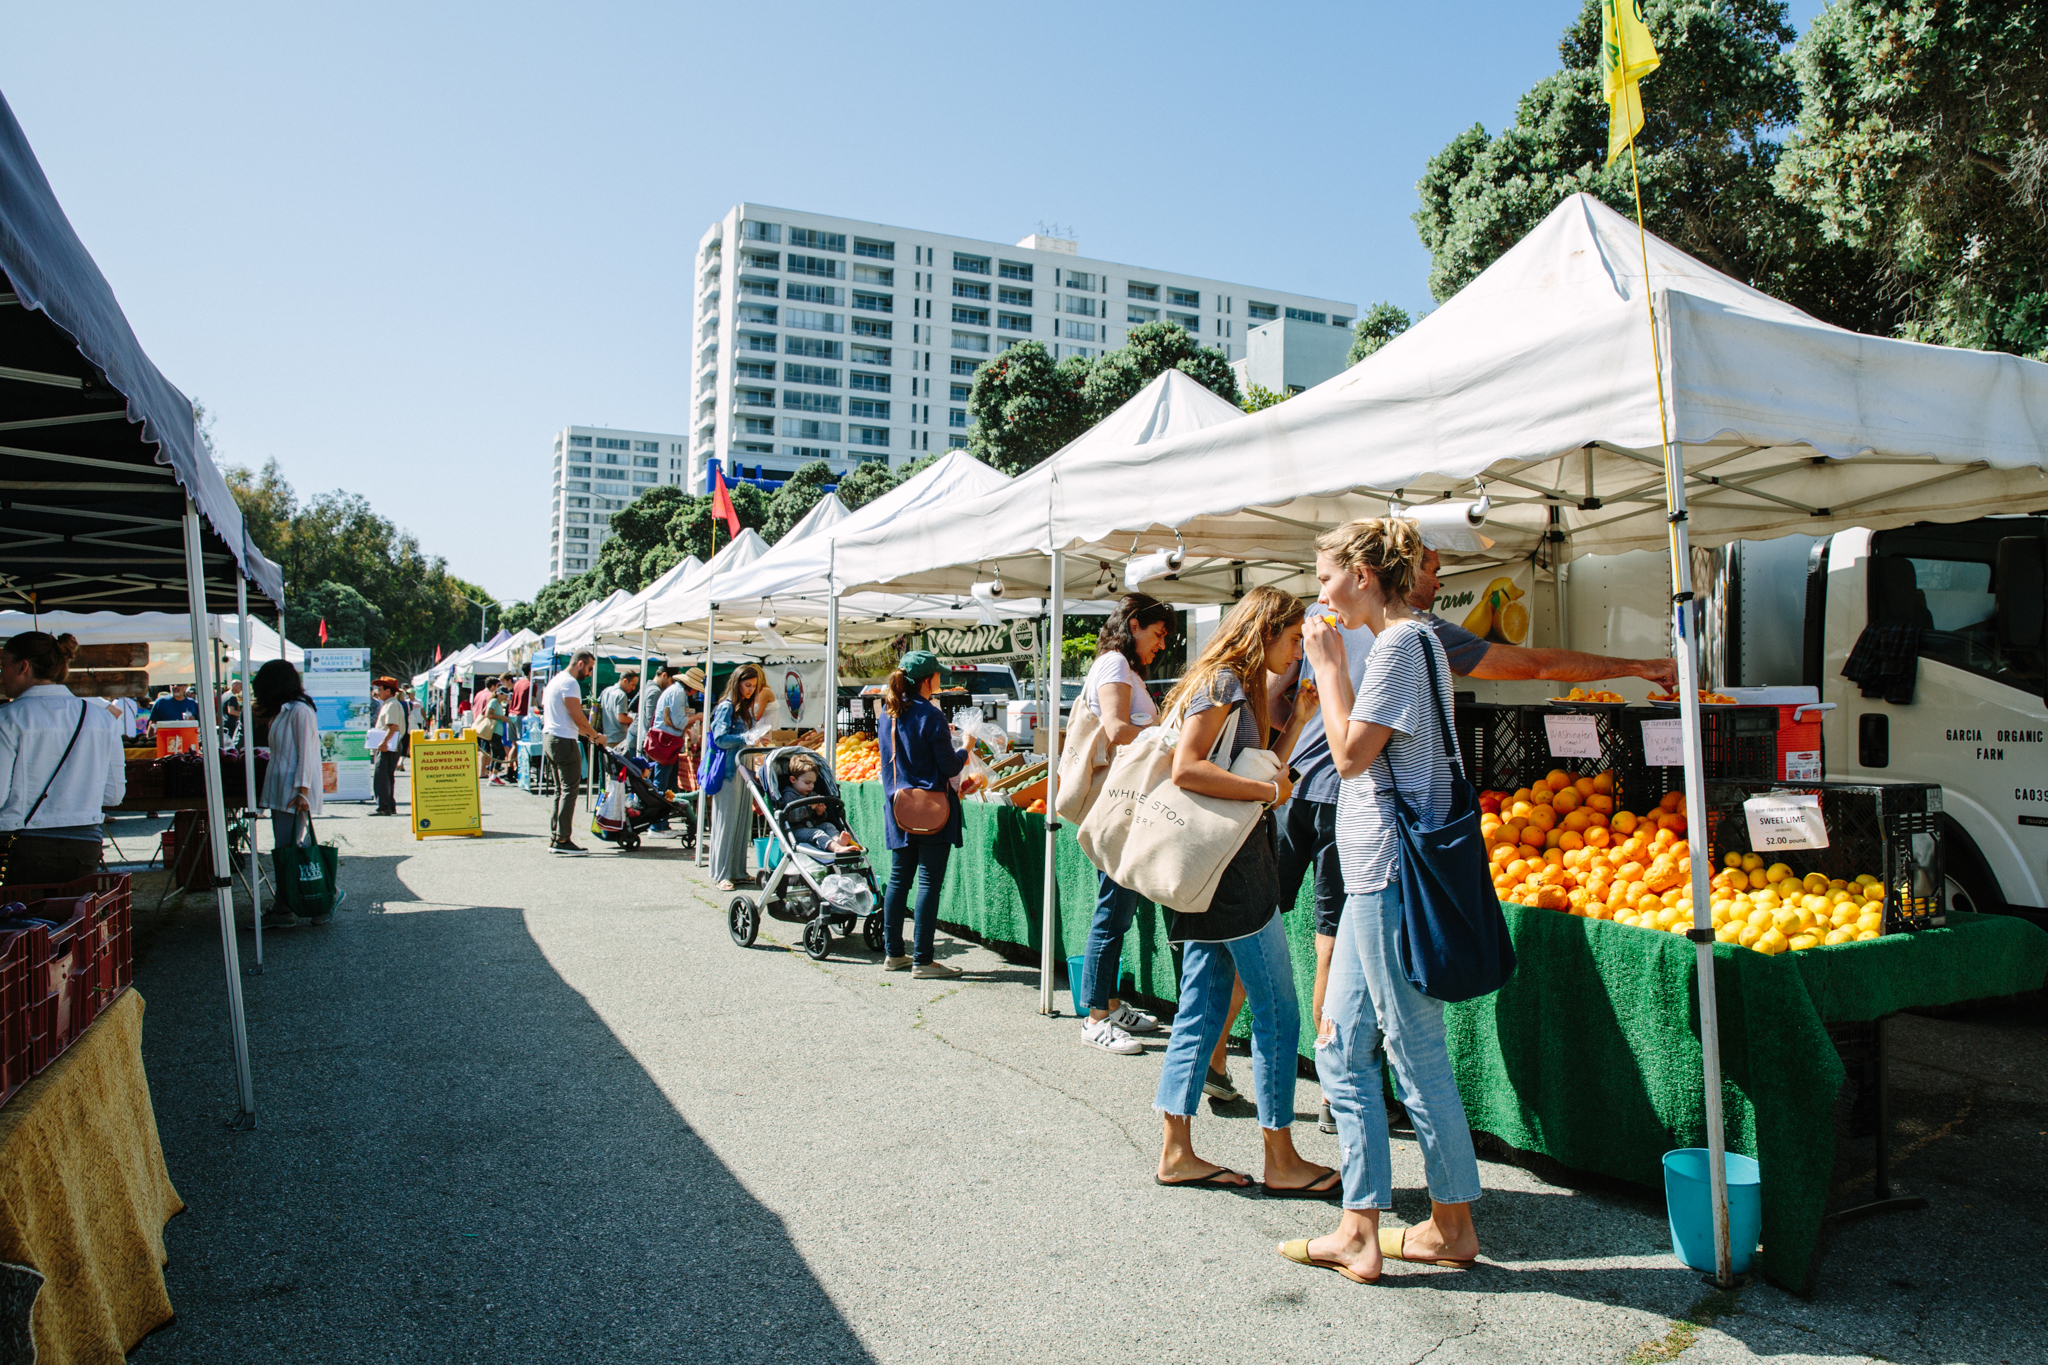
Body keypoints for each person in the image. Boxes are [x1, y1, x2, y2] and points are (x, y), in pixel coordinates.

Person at [1280, 518, 1485, 1284]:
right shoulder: (1421, 641)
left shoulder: (1400, 644)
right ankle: (1360, 1226)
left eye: (1327, 574)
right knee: (1340, 1044)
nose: (1321, 591)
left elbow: (1348, 754)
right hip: (1380, 871)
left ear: (1364, 573)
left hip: (1387, 872)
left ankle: (1451, 1224)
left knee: (1410, 1047)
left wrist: (1329, 668)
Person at [1148, 587, 1334, 1196]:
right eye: (1290, 639)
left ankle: (1178, 1151)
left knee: (1200, 1011)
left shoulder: (1228, 684)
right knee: (1278, 1012)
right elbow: (1189, 768)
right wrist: (1264, 796)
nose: (1295, 653)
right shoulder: (1225, 683)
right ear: (1267, 631)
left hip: (1214, 872)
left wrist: (1298, 723)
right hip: (1235, 874)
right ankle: (1280, 1157)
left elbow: (1259, 773)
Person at [1074, 593, 1176, 1056]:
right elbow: (1117, 730)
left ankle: (1110, 1005)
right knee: (1113, 910)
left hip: (1128, 805)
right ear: (1133, 625)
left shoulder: (1123, 668)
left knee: (1119, 907)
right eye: (1157, 634)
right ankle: (1095, 1016)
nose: (1161, 645)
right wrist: (1169, 737)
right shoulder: (1115, 665)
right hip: (1119, 805)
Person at [1410, 548, 1679, 689]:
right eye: (1434, 571)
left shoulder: (1378, 622)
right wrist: (1639, 667)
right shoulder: (1422, 631)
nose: (1438, 583)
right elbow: (1542, 666)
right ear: (1407, 571)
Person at [0, 633, 123, 886]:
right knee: (77, 921)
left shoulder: (8, 719)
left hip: (25, 847)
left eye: (3, 666)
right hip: (85, 846)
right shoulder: (101, 719)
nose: (2, 675)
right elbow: (113, 796)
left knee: (25, 921)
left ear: (23, 666)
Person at [875, 650, 968, 979]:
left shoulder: (889, 713)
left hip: (898, 807)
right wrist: (966, 745)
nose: (940, 680)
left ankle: (894, 954)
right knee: (928, 883)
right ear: (927, 680)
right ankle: (924, 961)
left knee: (899, 882)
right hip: (933, 810)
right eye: (937, 675)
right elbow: (950, 766)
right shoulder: (931, 715)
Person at [252, 659, 327, 929]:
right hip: (285, 790)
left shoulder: (300, 711)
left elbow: (307, 754)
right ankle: (287, 906)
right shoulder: (287, 710)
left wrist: (303, 792)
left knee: (291, 851)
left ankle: (322, 898)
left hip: (293, 793)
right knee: (287, 850)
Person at [706, 663, 771, 890]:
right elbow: (720, 738)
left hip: (742, 767)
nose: (751, 690)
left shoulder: (743, 707)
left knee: (741, 821)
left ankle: (736, 871)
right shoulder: (726, 707)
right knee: (727, 821)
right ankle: (721, 873)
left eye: (753, 686)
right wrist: (746, 738)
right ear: (737, 683)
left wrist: (753, 738)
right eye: (747, 685)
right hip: (729, 770)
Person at [542, 651, 605, 854]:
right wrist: (595, 736)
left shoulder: (555, 680)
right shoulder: (570, 683)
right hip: (563, 740)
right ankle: (562, 839)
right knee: (569, 790)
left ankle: (557, 835)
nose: (589, 673)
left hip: (551, 737)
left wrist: (589, 734)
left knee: (560, 790)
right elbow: (576, 715)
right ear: (580, 663)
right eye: (589, 668)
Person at [778, 752, 861, 855]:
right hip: (796, 831)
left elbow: (820, 819)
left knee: (828, 825)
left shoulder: (812, 794)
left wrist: (820, 813)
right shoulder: (788, 795)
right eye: (807, 783)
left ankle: (836, 841)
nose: (811, 787)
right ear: (793, 780)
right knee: (818, 833)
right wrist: (809, 807)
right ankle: (837, 848)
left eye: (813, 783)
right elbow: (791, 816)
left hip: (813, 826)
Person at [368, 677, 407, 816]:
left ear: (388, 691)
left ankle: (384, 806)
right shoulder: (388, 704)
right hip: (389, 744)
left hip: (389, 745)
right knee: (386, 776)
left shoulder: (392, 705)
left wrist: (384, 742)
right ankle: (389, 805)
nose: (377, 692)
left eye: (380, 689)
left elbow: (393, 726)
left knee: (381, 776)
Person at [597, 668, 640, 751]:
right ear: (625, 681)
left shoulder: (606, 691)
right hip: (618, 740)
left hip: (606, 738)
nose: (634, 688)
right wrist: (634, 719)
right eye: (633, 685)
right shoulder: (621, 695)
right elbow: (621, 718)